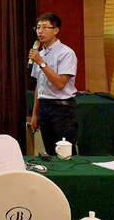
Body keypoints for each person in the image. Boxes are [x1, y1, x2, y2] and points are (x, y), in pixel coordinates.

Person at [28, 12, 78, 155]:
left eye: (45, 27)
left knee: (65, 153)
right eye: (38, 27)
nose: (40, 31)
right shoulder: (40, 53)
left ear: (55, 30)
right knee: (50, 152)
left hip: (62, 110)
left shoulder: (66, 53)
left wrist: (42, 63)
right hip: (44, 108)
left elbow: (60, 84)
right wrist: (35, 114)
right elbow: (39, 86)